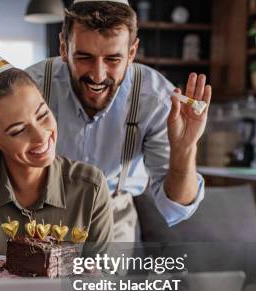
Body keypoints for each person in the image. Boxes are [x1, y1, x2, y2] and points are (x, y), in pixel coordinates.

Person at [0, 19, 114, 291]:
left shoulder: (90, 187)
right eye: (18, 131)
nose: (41, 135)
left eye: (42, 114)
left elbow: (103, 281)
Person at [26, 0, 212, 242]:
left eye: (113, 59)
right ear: (63, 46)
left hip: (114, 221)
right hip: (37, 217)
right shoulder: (31, 88)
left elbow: (176, 207)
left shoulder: (156, 100)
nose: (98, 75)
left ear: (132, 53)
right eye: (84, 57)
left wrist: (185, 149)